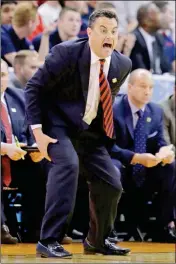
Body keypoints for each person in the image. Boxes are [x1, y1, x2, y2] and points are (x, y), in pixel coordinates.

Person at [25, 10, 132, 258]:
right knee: (68, 167)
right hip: (57, 125)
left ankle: (98, 240)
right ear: (90, 32)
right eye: (103, 30)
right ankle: (48, 240)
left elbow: (102, 99)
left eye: (114, 31)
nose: (110, 36)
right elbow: (33, 88)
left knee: (111, 182)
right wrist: (38, 133)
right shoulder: (66, 53)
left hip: (89, 133)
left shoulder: (122, 64)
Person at [111, 69, 176, 242]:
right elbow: (109, 147)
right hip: (122, 164)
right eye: (142, 86)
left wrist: (165, 152)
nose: (148, 91)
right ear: (130, 87)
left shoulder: (155, 110)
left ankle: (163, 225)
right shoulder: (114, 109)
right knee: (111, 168)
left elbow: (161, 141)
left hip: (147, 169)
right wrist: (136, 158)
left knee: (171, 166)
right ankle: (108, 228)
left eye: (151, 87)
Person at [1, 59, 44, 242]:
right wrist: (3, 148)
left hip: (18, 161)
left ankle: (40, 228)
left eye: (2, 75)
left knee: (47, 169)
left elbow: (32, 128)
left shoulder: (19, 96)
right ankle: (2, 227)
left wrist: (36, 148)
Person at [1, 2, 48, 66]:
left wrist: (45, 36)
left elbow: (40, 61)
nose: (37, 25)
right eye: (37, 22)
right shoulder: (2, 35)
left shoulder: (23, 39)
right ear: (30, 23)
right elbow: (18, 64)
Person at [130, 3, 172, 74]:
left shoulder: (159, 38)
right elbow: (140, 70)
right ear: (145, 20)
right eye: (157, 13)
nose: (161, 17)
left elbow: (166, 67)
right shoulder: (133, 39)